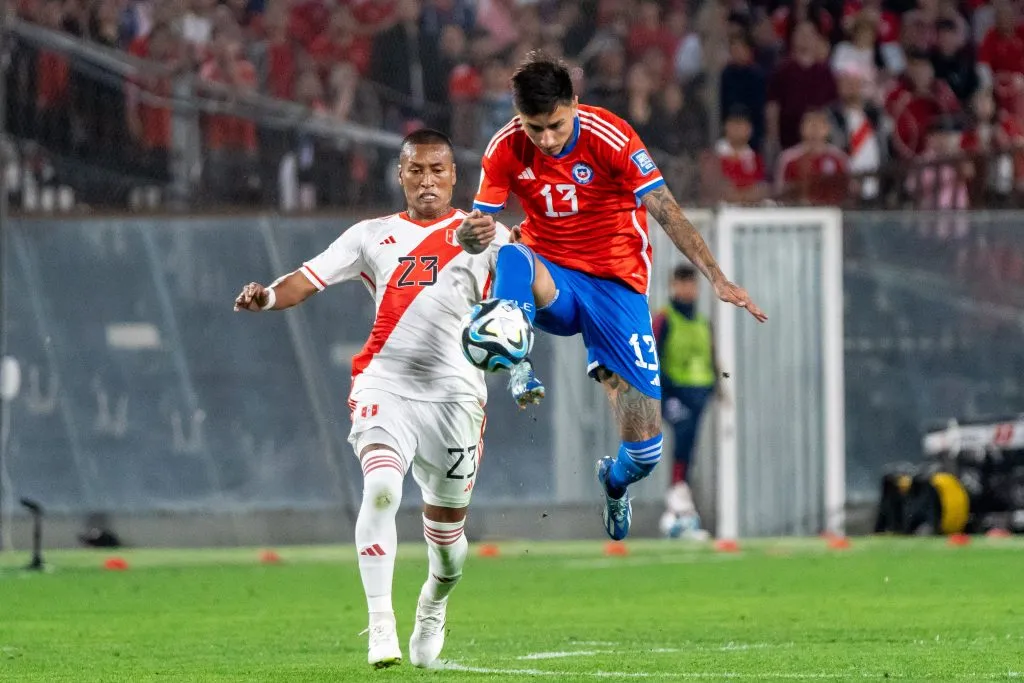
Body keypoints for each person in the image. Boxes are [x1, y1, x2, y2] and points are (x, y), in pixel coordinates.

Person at [456, 52, 765, 541]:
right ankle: (517, 363)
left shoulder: (611, 137)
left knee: (645, 451)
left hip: (616, 288)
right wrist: (471, 238)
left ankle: (615, 483)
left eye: (556, 125)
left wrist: (717, 277)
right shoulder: (506, 148)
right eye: (535, 129)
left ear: (574, 104)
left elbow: (665, 210)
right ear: (519, 119)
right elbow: (479, 231)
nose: (547, 139)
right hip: (552, 276)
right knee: (511, 253)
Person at [234, 129, 507, 669]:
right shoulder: (371, 236)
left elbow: (531, 296)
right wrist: (266, 297)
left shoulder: (487, 237)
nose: (427, 180)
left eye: (437, 170)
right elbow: (307, 279)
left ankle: (433, 601)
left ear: (455, 176)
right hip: (386, 384)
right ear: (400, 175)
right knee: (381, 488)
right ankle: (380, 623)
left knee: (448, 546)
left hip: (456, 399)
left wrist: (515, 335)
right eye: (416, 170)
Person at [653, 265, 718, 540]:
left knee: (688, 445)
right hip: (672, 393)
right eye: (681, 284)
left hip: (699, 394)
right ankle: (677, 501)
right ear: (672, 286)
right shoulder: (664, 319)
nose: (687, 289)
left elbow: (710, 356)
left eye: (691, 284)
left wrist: (715, 385)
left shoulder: (703, 322)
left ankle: (679, 511)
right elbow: (652, 354)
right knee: (682, 433)